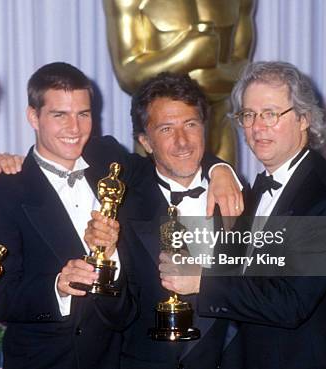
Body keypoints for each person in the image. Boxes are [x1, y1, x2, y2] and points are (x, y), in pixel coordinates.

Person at [0, 62, 242, 369]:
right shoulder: (1, 193)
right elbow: (0, 296)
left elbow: (175, 153)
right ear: (33, 117)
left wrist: (220, 168)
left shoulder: (110, 162)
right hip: (44, 361)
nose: (74, 128)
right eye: (59, 115)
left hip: (113, 358)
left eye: (83, 114)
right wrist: (57, 287)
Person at [161, 61, 326, 369]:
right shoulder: (255, 190)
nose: (257, 127)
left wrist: (203, 280)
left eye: (270, 113)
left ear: (304, 118)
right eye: (248, 115)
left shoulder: (324, 199)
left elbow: (289, 302)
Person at [114, 72, 239, 369]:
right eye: (167, 129)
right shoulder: (124, 198)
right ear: (145, 141)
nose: (182, 141)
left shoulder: (242, 196)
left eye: (191, 124)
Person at [103, 0, 255, 164]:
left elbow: (244, 69)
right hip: (161, 139)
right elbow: (127, 75)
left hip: (218, 134)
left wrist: (204, 72)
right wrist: (188, 54)